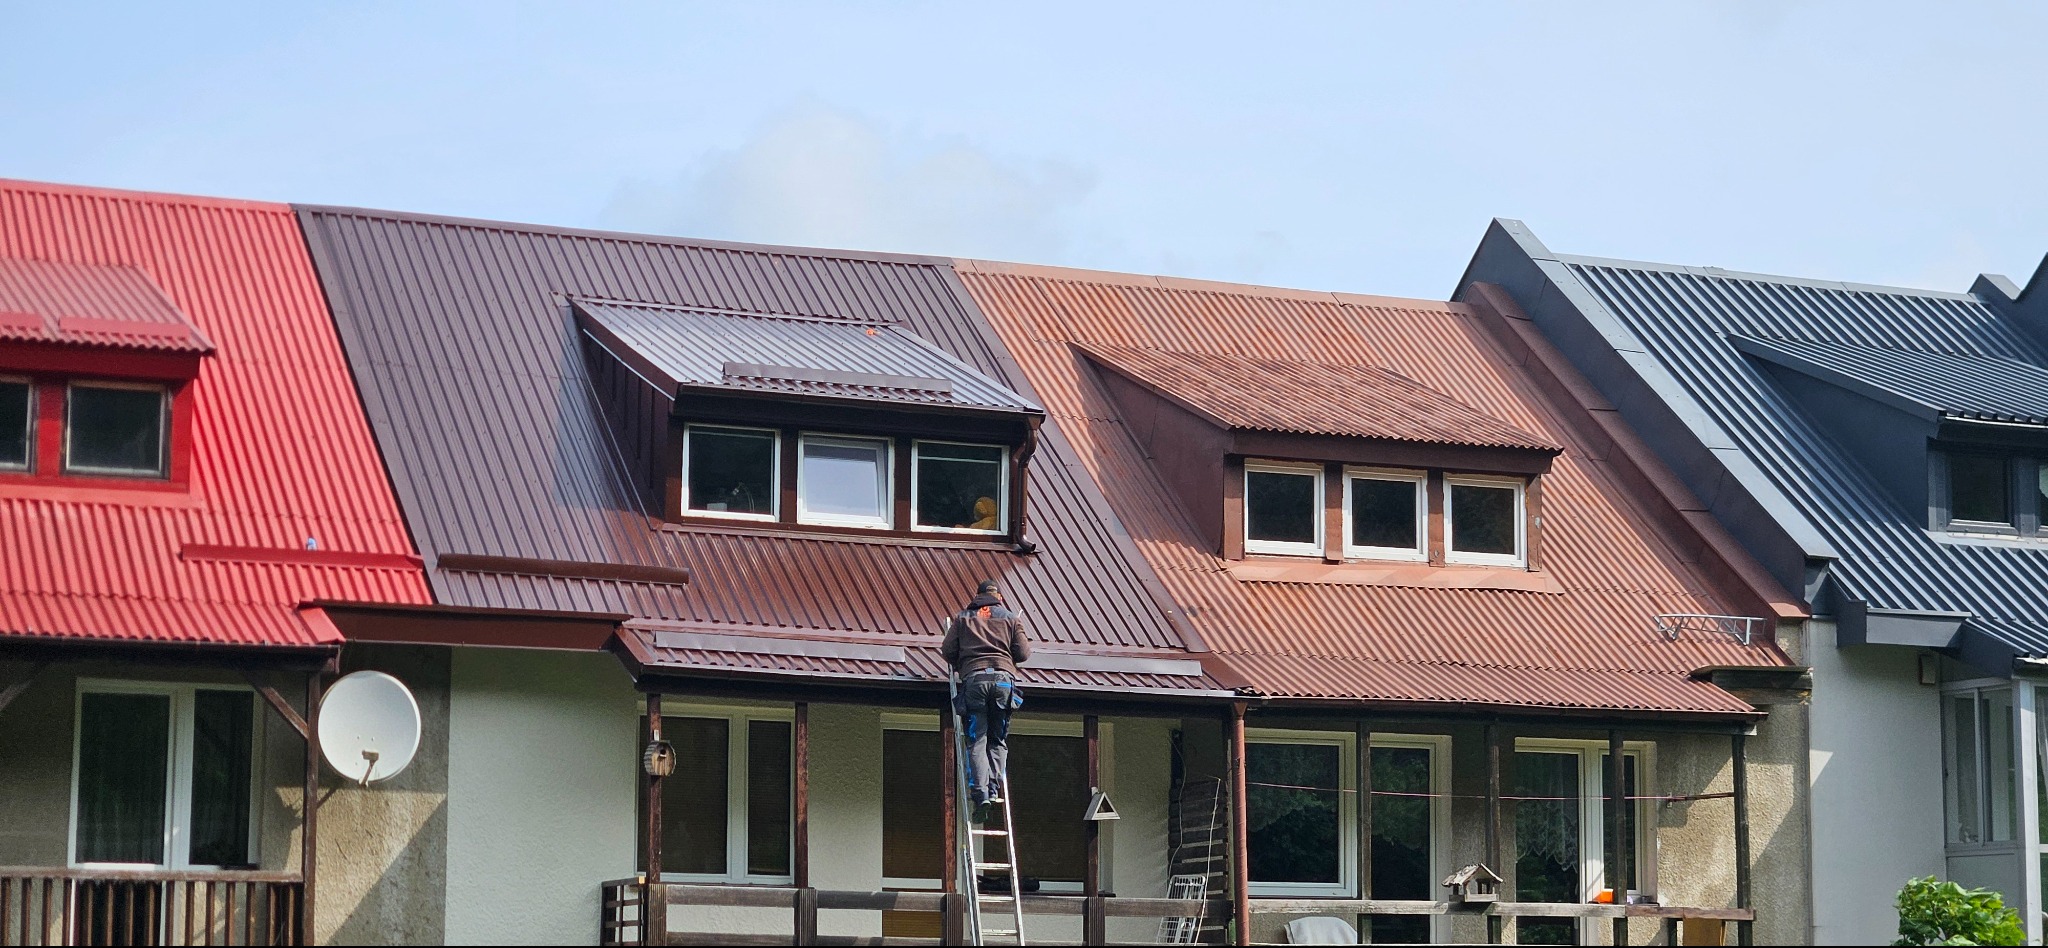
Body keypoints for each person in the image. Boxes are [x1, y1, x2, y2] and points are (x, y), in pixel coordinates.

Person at [943, 578, 1030, 822]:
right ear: (999, 597)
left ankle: (980, 794)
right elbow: (1023, 654)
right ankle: (992, 789)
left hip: (975, 682)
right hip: (1003, 683)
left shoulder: (963, 618)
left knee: (977, 740)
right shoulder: (1012, 618)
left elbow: (948, 651)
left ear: (977, 596)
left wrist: (966, 658)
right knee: (997, 739)